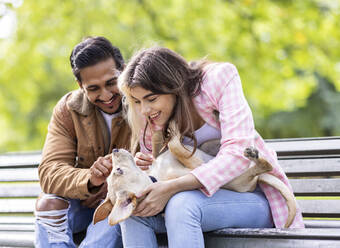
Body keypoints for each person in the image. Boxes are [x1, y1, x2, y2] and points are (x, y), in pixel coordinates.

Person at [117, 47, 305, 248]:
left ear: (174, 87)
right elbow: (160, 170)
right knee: (133, 211)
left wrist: (172, 187)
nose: (144, 109)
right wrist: (148, 169)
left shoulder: (218, 79)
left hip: (253, 198)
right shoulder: (150, 116)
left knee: (182, 205)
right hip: (196, 204)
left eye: (151, 99)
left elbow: (238, 152)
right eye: (136, 101)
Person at [34, 36, 130, 247]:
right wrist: (91, 179)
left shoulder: (143, 101)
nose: (106, 95)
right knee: (48, 204)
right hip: (83, 205)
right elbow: (49, 172)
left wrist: (111, 185)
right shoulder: (68, 109)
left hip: (121, 203)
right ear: (80, 85)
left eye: (111, 83)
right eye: (93, 88)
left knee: (117, 208)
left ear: (123, 70)